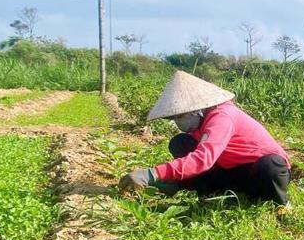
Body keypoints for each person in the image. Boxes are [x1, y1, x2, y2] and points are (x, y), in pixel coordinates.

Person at [118, 70, 291, 205]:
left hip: (259, 172)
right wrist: (176, 180)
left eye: (180, 117)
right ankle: (204, 189)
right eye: (174, 119)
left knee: (270, 166)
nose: (178, 123)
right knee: (181, 143)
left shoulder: (222, 117)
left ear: (197, 109)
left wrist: (152, 173)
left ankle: (279, 203)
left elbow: (203, 159)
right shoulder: (200, 122)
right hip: (233, 170)